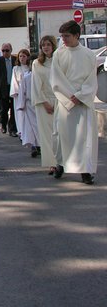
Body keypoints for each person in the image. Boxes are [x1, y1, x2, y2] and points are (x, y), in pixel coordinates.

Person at [50, 20, 98, 185]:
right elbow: (56, 79)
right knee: (61, 137)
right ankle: (61, 165)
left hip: (82, 103)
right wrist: (70, 97)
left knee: (83, 140)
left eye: (67, 36)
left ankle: (85, 171)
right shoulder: (58, 54)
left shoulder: (89, 55)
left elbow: (92, 79)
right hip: (65, 102)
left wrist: (82, 95)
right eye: (62, 36)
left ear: (77, 35)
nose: (63, 39)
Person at [31, 35, 58, 175]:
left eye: (48, 44)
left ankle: (61, 160)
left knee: (60, 133)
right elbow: (36, 85)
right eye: (43, 45)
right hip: (43, 102)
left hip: (59, 100)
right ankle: (51, 163)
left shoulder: (59, 61)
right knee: (47, 135)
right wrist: (45, 102)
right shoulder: (37, 63)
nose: (46, 47)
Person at [10, 50, 40, 157]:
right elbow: (20, 89)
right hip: (26, 103)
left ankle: (40, 145)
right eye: (20, 56)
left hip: (39, 104)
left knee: (38, 126)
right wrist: (21, 103)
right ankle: (33, 145)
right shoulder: (24, 75)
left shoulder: (39, 75)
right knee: (29, 127)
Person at [0, 43, 17, 136]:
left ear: (11, 50)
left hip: (14, 88)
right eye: (3, 51)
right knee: (3, 109)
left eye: (7, 50)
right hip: (3, 89)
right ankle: (3, 125)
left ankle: (12, 129)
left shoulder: (15, 60)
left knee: (14, 110)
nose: (5, 53)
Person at [9, 49, 30, 139]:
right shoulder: (16, 68)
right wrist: (17, 92)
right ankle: (21, 131)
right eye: (20, 56)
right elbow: (14, 81)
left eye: (24, 56)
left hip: (28, 94)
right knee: (19, 114)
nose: (22, 58)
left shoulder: (30, 68)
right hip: (19, 94)